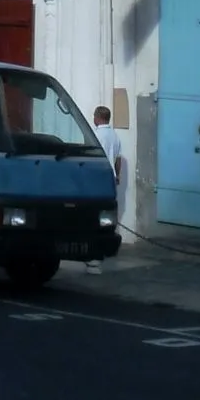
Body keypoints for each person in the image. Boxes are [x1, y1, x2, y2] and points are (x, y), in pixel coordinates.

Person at [87, 105, 125, 274]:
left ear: (98, 117)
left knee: (93, 215)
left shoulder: (95, 135)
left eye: (94, 116)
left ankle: (94, 255)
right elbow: (118, 159)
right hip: (110, 178)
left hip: (97, 178)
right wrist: (117, 175)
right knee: (107, 214)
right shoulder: (115, 136)